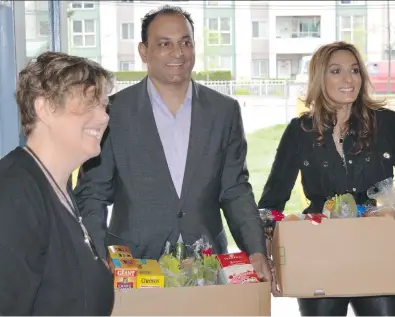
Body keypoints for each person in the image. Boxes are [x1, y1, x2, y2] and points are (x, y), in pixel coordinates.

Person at [74, 5, 277, 294]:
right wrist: (98, 256)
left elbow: (235, 189)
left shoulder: (224, 111)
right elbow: (92, 194)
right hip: (134, 269)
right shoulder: (113, 113)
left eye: (185, 42)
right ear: (144, 52)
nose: (178, 53)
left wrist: (256, 251)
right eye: (164, 44)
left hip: (206, 267)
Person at [258, 41, 395, 316]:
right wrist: (266, 253)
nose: (349, 79)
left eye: (354, 70)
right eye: (336, 71)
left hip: (379, 249)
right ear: (320, 78)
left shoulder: (385, 122)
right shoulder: (300, 131)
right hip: (320, 253)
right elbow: (273, 199)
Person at [0, 52, 115, 315]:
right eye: (90, 103)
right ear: (45, 109)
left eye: (104, 104)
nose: (104, 116)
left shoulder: (58, 188)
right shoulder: (13, 195)